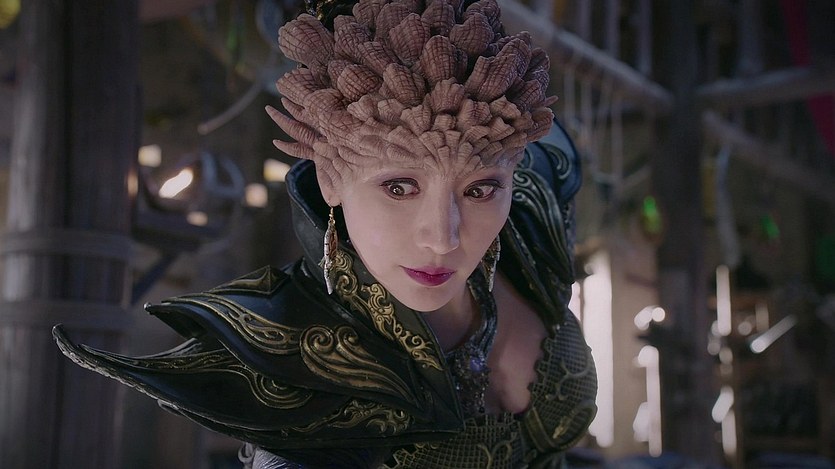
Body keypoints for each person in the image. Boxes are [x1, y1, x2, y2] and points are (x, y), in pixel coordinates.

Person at [54, 0, 597, 466]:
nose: (443, 238)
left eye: (479, 190)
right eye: (399, 187)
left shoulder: (533, 221)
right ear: (331, 179)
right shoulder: (293, 371)